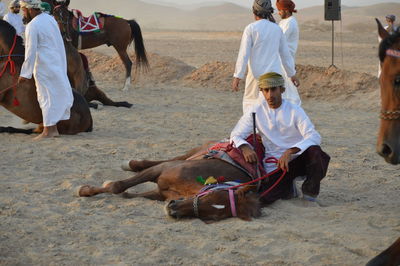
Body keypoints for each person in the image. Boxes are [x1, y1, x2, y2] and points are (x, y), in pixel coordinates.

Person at [230, 72, 330, 203]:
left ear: (282, 90)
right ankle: (289, 188)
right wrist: (245, 147)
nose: (270, 95)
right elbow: (235, 134)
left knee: (317, 153)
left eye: (273, 89)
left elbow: (314, 136)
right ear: (261, 91)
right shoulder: (255, 111)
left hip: (297, 158)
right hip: (275, 164)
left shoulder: (295, 110)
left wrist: (290, 151)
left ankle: (309, 193)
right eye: (266, 90)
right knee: (264, 199)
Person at [18, 0, 73, 140]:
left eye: (23, 10)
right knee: (53, 96)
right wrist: (62, 65)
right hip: (56, 64)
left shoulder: (32, 25)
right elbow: (59, 44)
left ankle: (48, 131)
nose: (23, 13)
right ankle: (52, 129)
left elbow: (30, 51)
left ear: (30, 9)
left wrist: (25, 73)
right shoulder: (50, 19)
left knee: (45, 97)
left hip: (43, 67)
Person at [232, 0, 299, 114]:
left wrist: (238, 76)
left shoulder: (251, 28)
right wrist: (291, 74)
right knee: (272, 106)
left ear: (254, 12)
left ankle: (256, 130)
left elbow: (244, 54)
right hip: (274, 74)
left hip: (255, 75)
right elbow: (285, 55)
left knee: (251, 104)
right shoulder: (276, 29)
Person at [276, 0, 301, 106]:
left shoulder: (290, 22)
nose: (278, 13)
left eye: (280, 10)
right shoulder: (283, 22)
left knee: (289, 92)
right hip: (280, 60)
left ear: (286, 10)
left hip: (286, 60)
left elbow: (279, 41)